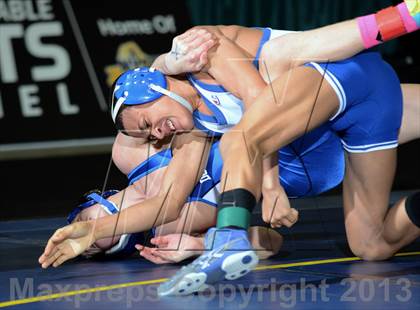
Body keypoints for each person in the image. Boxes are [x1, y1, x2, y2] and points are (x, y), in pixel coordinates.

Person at [38, 1, 420, 287]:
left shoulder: (200, 53)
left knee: (253, 112)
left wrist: (269, 186)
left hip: (340, 77)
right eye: (150, 135)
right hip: (353, 119)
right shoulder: (191, 134)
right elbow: (168, 202)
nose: (157, 134)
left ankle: (229, 240)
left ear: (156, 89)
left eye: (148, 123)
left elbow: (257, 103)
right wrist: (93, 233)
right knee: (372, 246)